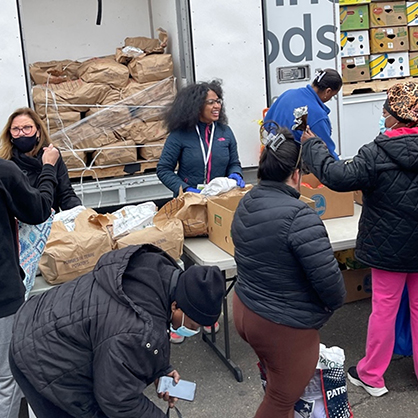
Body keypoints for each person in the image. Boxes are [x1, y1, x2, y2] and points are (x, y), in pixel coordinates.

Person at [9, 244, 224, 418]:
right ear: (176, 306)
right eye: (192, 325)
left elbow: (145, 329)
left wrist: (160, 369)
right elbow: (117, 400)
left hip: (45, 323)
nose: (190, 331)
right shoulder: (134, 329)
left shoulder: (157, 274)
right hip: (39, 360)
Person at [301, 81, 418, 397]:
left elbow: (337, 177)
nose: (382, 116)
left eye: (385, 111)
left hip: (388, 249)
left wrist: (313, 146)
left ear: (396, 117)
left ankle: (372, 375)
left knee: (384, 309)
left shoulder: (377, 152)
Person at [231, 123, 346, 418]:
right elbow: (331, 285)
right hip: (281, 324)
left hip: (245, 308)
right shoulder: (300, 216)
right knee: (281, 400)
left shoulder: (247, 202)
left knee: (276, 387)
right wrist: (324, 310)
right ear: (296, 174)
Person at [0, 144, 59, 418]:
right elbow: (39, 209)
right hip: (2, 294)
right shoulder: (4, 172)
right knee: (6, 377)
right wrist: (48, 167)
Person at [157, 79, 244, 196]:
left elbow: (234, 163)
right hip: (190, 200)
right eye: (211, 102)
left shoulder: (225, 132)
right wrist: (185, 189)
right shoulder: (180, 134)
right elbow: (164, 170)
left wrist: (236, 174)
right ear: (196, 106)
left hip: (220, 198)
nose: (217, 106)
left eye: (218, 101)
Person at [0, 107, 81, 212]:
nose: (21, 133)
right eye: (15, 129)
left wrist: (79, 212)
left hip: (53, 221)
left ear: (38, 131)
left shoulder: (52, 155)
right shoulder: (6, 164)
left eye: (27, 127)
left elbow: (66, 193)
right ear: (10, 133)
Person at [265, 68, 342, 159]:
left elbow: (267, 123)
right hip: (292, 165)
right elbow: (327, 154)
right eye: (332, 95)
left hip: (269, 156)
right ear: (328, 91)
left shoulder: (288, 94)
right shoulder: (318, 116)